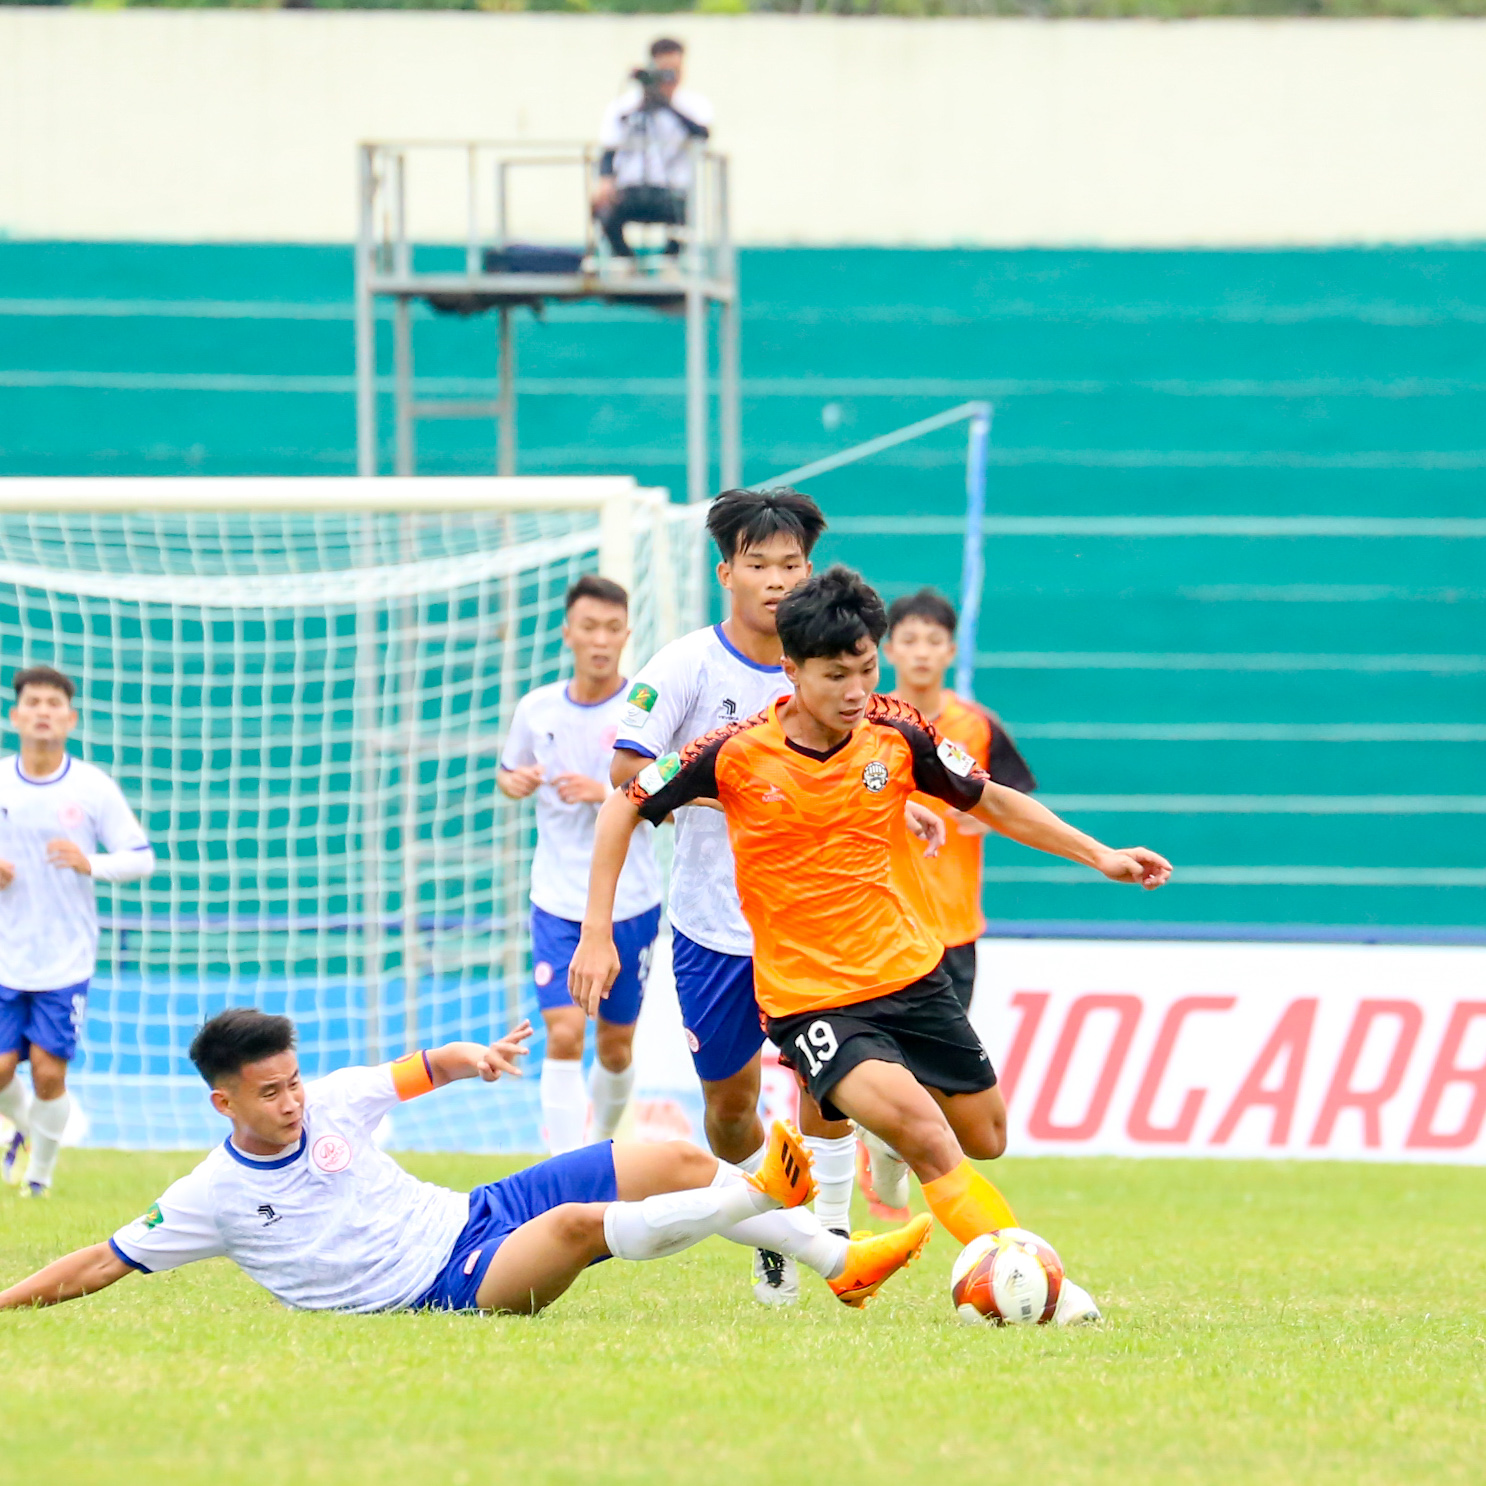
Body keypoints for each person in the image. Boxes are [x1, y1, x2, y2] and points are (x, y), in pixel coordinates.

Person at [575, 565, 1175, 1325]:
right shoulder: (733, 753)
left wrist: (1101, 856)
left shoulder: (897, 731)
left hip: (909, 974)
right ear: (790, 673)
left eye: (866, 669)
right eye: (836, 675)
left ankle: (876, 1137)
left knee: (985, 1136)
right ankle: (1039, 1290)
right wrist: (599, 931)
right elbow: (621, 805)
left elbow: (990, 798)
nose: (857, 690)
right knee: (930, 1139)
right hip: (811, 999)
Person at [0, 1008, 930, 1315]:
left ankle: (840, 1265)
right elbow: (99, 1261)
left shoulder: (328, 1099)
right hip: (445, 1284)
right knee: (577, 1230)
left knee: (677, 1158)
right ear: (225, 1103)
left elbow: (416, 1070)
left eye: (293, 1082)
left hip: (472, 1211)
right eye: (272, 1093)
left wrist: (474, 1058)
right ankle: (758, 1201)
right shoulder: (210, 1196)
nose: (293, 1101)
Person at [608, 489, 944, 1305]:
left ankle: (826, 1229)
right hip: (714, 925)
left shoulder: (841, 664)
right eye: (758, 565)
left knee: (822, 1081)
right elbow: (624, 777)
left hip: (813, 926)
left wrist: (908, 809)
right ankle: (771, 1214)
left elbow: (871, 768)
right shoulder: (687, 667)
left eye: (791, 565)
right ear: (726, 572)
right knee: (731, 1107)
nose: (776, 580)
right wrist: (743, 792)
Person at [861, 589, 1037, 1216]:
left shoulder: (975, 726)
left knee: (937, 1071)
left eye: (934, 641)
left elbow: (1011, 798)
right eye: (909, 640)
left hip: (956, 925)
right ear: (889, 650)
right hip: (888, 920)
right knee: (882, 1056)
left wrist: (980, 815)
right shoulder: (872, 724)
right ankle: (877, 1145)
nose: (921, 652)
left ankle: (890, 1147)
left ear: (952, 650)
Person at [497, 577, 662, 1156]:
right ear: (568, 633)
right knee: (564, 1033)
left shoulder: (643, 708)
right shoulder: (536, 707)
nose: (600, 641)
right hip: (557, 899)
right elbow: (510, 772)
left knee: (616, 1047)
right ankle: (565, 1174)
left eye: (612, 629)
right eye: (589, 628)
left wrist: (608, 790)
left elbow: (667, 798)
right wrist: (514, 783)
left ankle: (598, 1142)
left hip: (631, 901)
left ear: (626, 635)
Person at [0, 666, 157, 1198]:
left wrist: (90, 863)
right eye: (33, 702)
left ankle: (39, 1176)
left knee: (47, 1073)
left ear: (70, 719)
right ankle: (24, 1128)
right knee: (0, 1071)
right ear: (16, 715)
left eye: (53, 704)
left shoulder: (91, 786)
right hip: (4, 953)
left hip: (65, 958)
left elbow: (141, 860)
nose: (43, 711)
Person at [592, 38, 713, 260]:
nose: (669, 78)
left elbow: (702, 134)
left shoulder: (693, 104)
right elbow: (609, 147)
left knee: (684, 218)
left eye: (675, 71)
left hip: (672, 191)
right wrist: (605, 180)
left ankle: (670, 263)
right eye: (664, 71)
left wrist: (666, 105)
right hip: (630, 188)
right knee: (602, 210)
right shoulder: (625, 106)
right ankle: (625, 262)